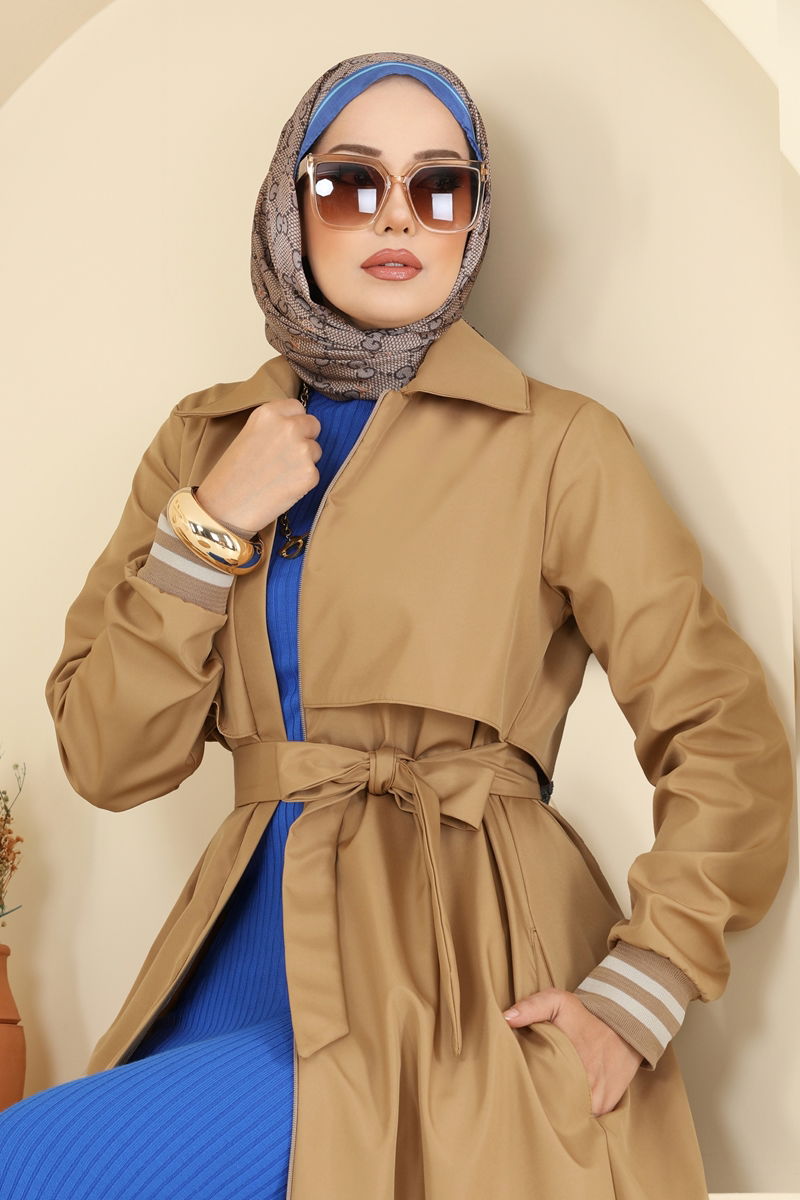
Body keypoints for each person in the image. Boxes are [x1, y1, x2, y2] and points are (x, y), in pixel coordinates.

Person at [0, 50, 792, 1200]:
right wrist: (209, 525)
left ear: (473, 216)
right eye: (349, 182)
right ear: (290, 204)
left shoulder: (557, 445)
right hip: (239, 940)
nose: (397, 217)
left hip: (453, 967)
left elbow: (724, 732)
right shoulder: (203, 442)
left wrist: (644, 985)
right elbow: (109, 758)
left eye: (438, 185)